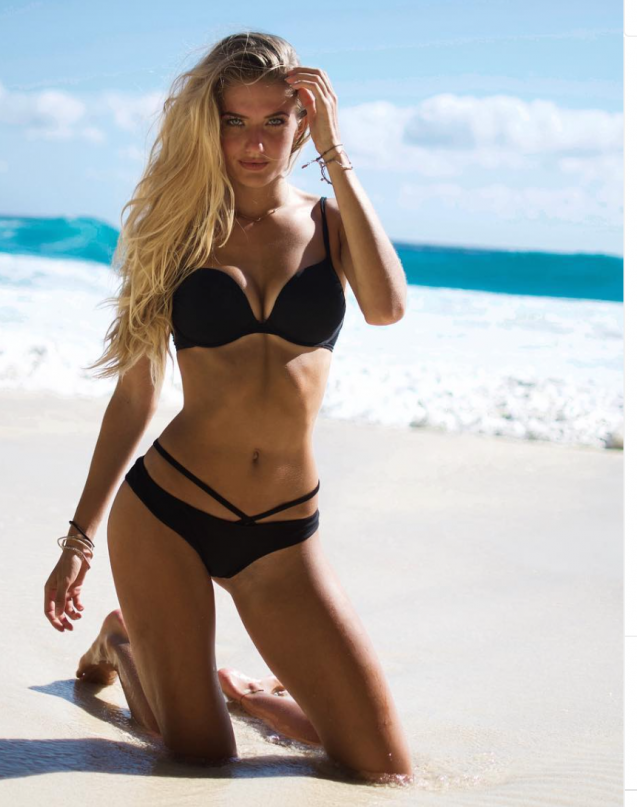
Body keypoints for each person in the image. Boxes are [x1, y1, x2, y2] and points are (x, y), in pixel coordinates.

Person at [42, 32, 413, 781]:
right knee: (201, 760)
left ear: (303, 122)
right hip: (169, 513)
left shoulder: (329, 225)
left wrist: (336, 154)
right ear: (208, 125)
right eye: (234, 121)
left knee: (380, 767)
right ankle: (126, 643)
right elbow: (137, 394)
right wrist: (79, 537)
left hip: (282, 530)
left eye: (275, 120)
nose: (254, 143)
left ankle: (241, 690)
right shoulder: (175, 231)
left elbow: (386, 307)